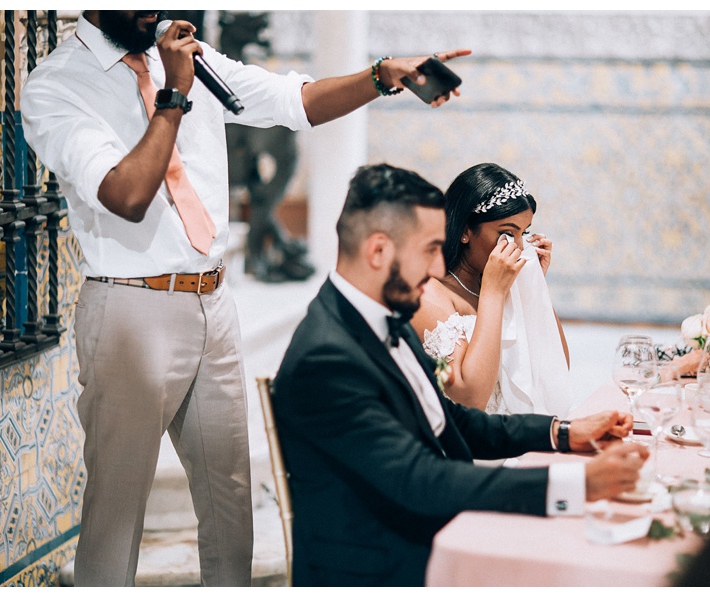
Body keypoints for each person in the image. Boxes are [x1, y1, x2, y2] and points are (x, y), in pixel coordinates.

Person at [20, 9, 469, 586]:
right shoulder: (57, 84)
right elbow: (125, 193)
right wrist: (174, 97)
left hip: (214, 301)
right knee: (117, 507)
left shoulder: (184, 57)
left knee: (229, 497)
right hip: (132, 309)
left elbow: (293, 102)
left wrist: (382, 75)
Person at [272, 164, 648, 586]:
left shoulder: (379, 316)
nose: (438, 265)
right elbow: (420, 479)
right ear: (378, 252)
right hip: (385, 561)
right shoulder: (328, 358)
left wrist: (563, 433)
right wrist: (572, 483)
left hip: (424, 522)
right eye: (430, 249)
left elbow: (452, 422)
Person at [410, 163, 573, 416]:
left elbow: (556, 367)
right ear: (466, 231)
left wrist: (532, 289)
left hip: (514, 435)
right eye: (507, 234)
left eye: (524, 233)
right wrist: (494, 293)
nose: (517, 247)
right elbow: (469, 397)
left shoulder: (503, 286)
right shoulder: (429, 293)